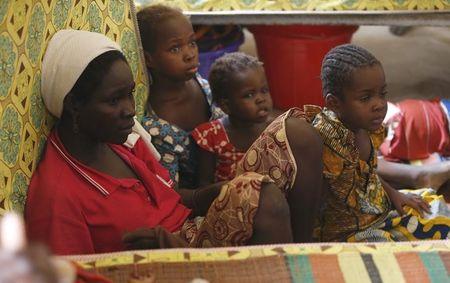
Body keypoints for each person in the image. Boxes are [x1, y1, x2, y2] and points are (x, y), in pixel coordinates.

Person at [25, 29, 294, 255]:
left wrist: (215, 192)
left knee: (274, 174)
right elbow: (75, 274)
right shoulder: (58, 197)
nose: (130, 109)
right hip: (159, 267)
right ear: (74, 105)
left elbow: (170, 197)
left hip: (186, 237)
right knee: (267, 202)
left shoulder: (121, 142)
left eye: (129, 94)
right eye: (113, 100)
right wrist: (168, 250)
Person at [308, 43, 450, 242]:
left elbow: (367, 175)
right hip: (350, 231)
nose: (379, 105)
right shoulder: (329, 139)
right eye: (366, 98)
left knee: (431, 204)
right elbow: (313, 199)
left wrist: (394, 195)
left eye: (382, 94)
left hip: (376, 208)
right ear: (334, 103)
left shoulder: (363, 127)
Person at [137, 5, 225, 189]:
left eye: (192, 43)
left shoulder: (202, 85)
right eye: (175, 48)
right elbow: (171, 192)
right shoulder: (158, 127)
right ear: (149, 59)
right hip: (197, 199)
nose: (189, 54)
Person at [192, 52, 281, 185]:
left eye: (264, 90)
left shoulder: (276, 128)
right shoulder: (211, 136)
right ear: (226, 106)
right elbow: (204, 185)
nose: (261, 99)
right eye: (249, 95)